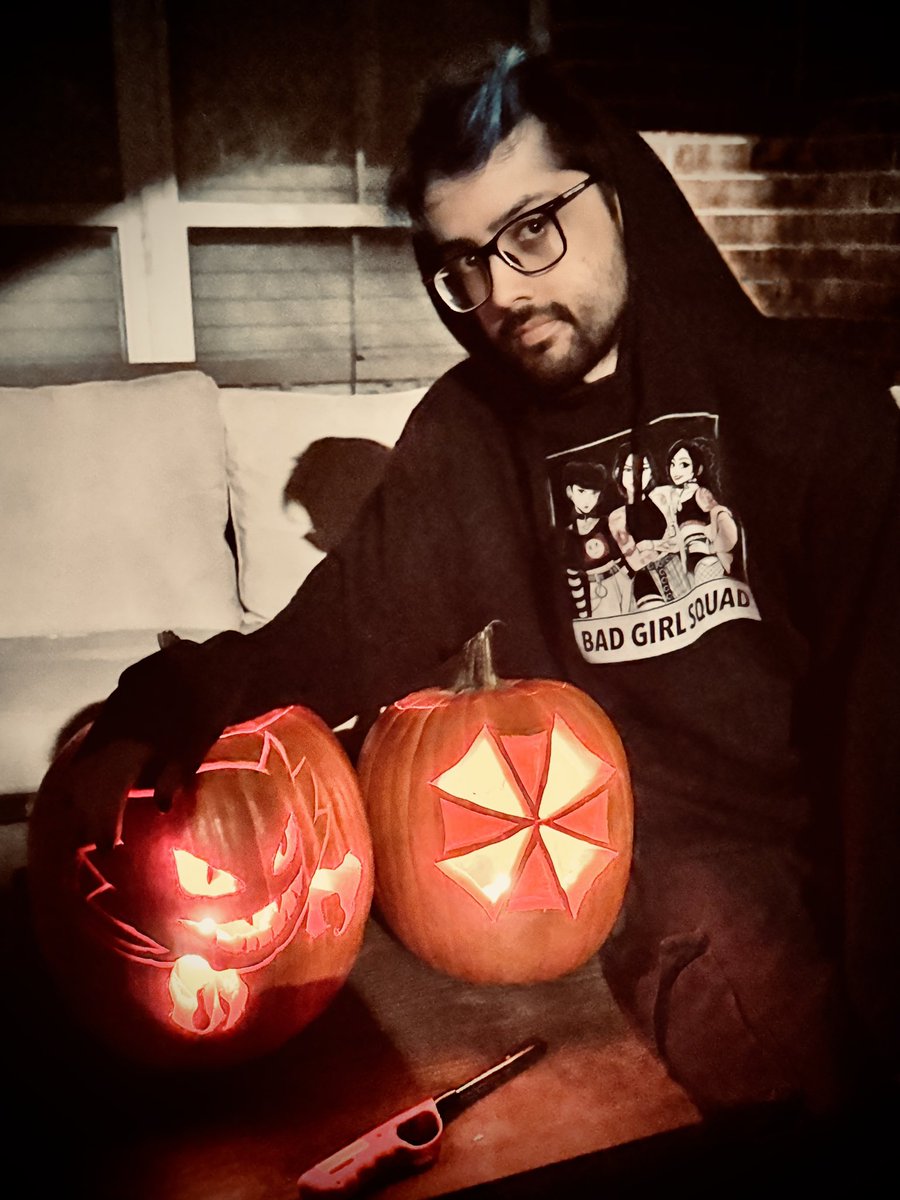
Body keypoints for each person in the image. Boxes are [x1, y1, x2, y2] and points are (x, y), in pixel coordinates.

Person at [65, 46, 899, 1119]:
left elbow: (884, 717)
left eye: (532, 230)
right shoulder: (468, 437)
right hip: (659, 849)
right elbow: (349, 628)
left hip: (843, 812)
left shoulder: (816, 417)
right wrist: (191, 689)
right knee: (790, 1061)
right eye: (461, 263)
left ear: (621, 195)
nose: (501, 291)